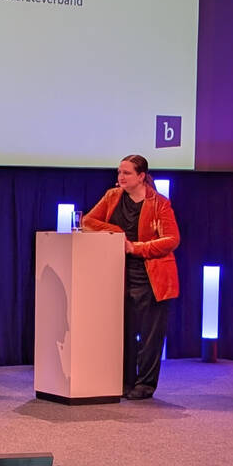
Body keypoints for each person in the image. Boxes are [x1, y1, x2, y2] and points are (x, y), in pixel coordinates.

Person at [82, 154, 180, 400]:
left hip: (153, 278)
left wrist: (135, 248)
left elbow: (171, 240)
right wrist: (117, 233)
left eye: (126, 173)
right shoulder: (112, 196)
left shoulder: (160, 203)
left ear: (141, 176)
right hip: (120, 275)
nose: (120, 177)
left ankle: (145, 384)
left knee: (150, 335)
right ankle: (124, 380)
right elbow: (88, 222)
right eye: (119, 172)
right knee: (123, 332)